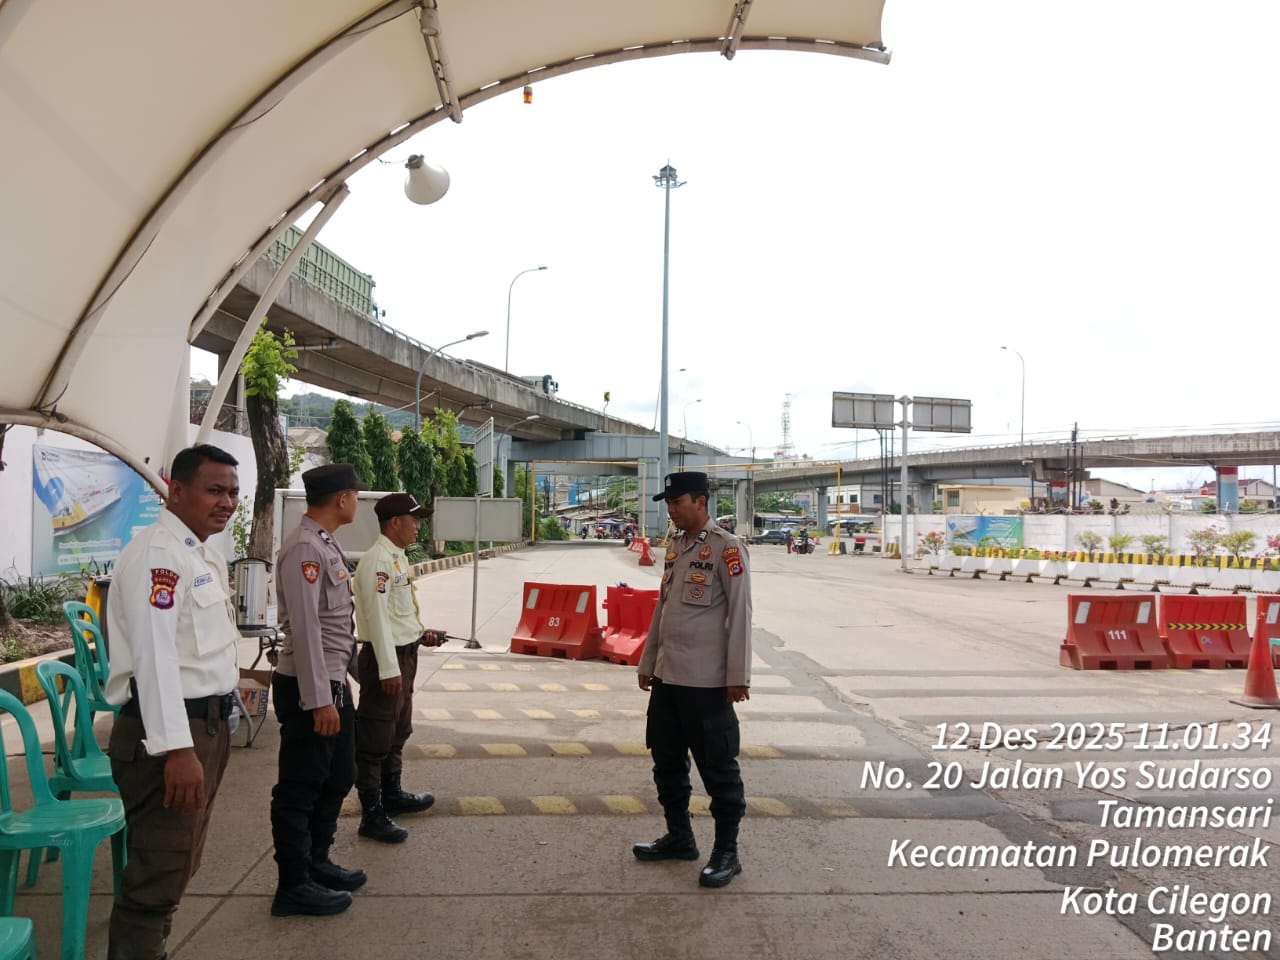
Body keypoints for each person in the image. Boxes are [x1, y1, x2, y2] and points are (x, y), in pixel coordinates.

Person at [104, 443, 242, 960]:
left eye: (233, 492)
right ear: (176, 491)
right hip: (169, 736)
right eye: (214, 490)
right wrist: (177, 750)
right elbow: (155, 659)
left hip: (205, 726)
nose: (227, 502)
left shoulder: (199, 552)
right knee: (155, 877)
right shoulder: (159, 557)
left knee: (178, 864)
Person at [634, 471, 752, 888]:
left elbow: (740, 613)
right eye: (668, 503)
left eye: (677, 502)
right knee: (666, 763)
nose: (671, 509)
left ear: (700, 501)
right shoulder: (676, 546)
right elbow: (662, 609)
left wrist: (737, 675)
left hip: (706, 683)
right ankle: (680, 837)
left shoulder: (727, 548)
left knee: (718, 770)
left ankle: (727, 853)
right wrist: (648, 661)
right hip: (668, 678)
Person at [270, 463, 367, 917]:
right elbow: (307, 629)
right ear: (341, 499)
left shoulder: (325, 542)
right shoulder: (304, 548)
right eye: (355, 495)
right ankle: (293, 884)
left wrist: (344, 679)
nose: (356, 502)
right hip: (309, 686)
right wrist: (319, 700)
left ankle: (316, 861)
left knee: (340, 774)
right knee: (301, 785)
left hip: (331, 680)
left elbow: (335, 625)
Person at [352, 492, 446, 844]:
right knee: (375, 737)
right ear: (394, 522)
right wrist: (389, 669)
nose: (418, 526)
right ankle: (371, 813)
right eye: (414, 520)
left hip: (404, 656)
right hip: (386, 659)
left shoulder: (397, 558)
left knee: (398, 730)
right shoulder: (378, 562)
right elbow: (376, 618)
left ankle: (392, 794)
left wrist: (421, 635)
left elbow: (396, 615)